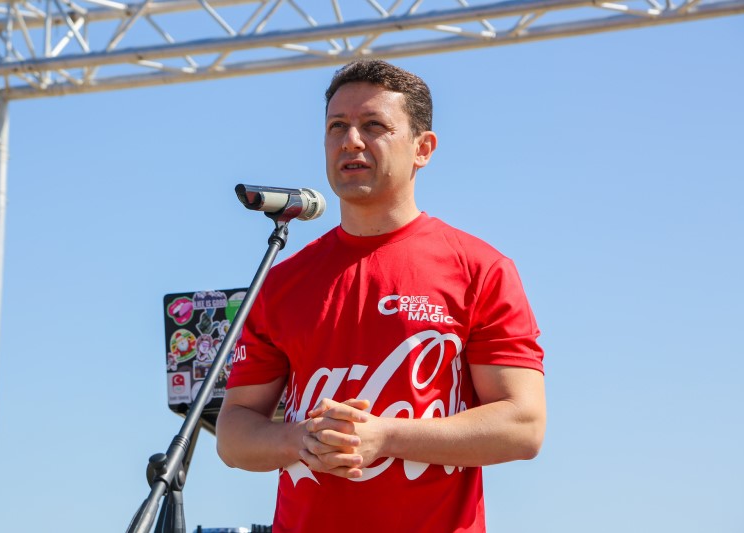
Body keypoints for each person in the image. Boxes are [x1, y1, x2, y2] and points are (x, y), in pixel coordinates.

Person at [216, 59, 546, 533]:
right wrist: (300, 439)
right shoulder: (281, 282)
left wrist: (387, 435)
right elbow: (233, 435)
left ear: (422, 148)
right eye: (337, 126)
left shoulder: (480, 270)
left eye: (374, 125)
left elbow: (523, 425)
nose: (351, 140)